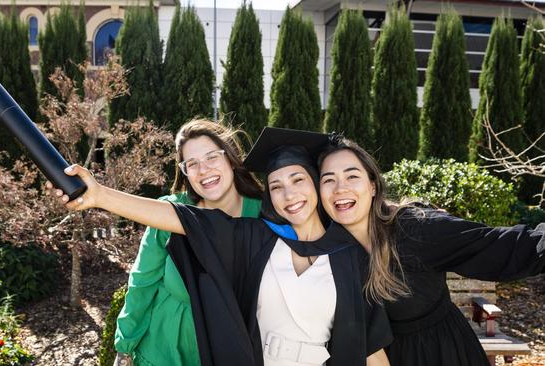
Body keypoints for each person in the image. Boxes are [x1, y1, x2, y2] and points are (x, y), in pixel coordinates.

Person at [47, 127, 392, 366]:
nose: (289, 195)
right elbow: (176, 220)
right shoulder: (256, 236)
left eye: (299, 180)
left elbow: (369, 344)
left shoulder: (347, 256)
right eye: (276, 186)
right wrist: (100, 195)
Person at [314, 133, 545, 366]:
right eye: (328, 180)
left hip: (442, 354)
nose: (340, 188)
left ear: (373, 186)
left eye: (352, 176)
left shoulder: (415, 230)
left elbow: (502, 246)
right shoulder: (326, 253)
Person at [113, 119, 263, 366]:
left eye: (212, 157)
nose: (203, 170)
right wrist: (124, 347)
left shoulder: (262, 215)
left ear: (231, 158)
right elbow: (142, 281)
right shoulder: (170, 212)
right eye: (192, 164)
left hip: (232, 346)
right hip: (165, 345)